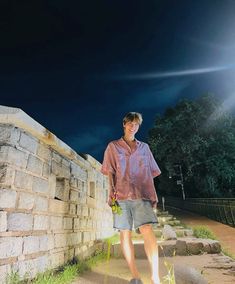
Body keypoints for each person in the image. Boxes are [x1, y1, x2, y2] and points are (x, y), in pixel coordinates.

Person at [101, 112, 161, 284]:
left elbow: (152, 172)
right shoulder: (113, 147)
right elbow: (110, 172)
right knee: (124, 233)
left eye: (136, 124)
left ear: (138, 126)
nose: (132, 126)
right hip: (120, 195)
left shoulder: (145, 148)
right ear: (124, 124)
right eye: (130, 123)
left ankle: (155, 276)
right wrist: (110, 193)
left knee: (147, 230)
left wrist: (151, 195)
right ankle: (135, 276)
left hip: (141, 195)